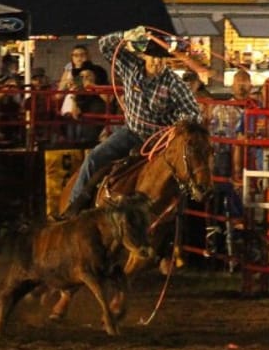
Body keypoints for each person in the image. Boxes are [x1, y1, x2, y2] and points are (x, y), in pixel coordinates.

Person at [60, 25, 205, 217]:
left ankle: (189, 222)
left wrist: (178, 125)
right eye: (153, 57)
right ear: (144, 56)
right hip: (132, 133)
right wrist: (124, 35)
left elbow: (193, 112)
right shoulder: (130, 67)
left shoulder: (173, 82)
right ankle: (74, 208)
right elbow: (105, 45)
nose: (158, 62)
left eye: (162, 58)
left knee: (185, 176)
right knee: (94, 157)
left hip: (160, 142)